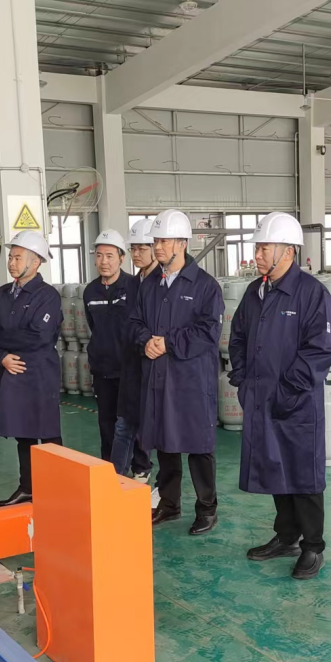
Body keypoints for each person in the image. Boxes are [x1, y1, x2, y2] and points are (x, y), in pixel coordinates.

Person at [229, 213, 331, 579]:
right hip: (262, 399)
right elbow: (238, 337)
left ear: (288, 251)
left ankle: (313, 547)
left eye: (264, 248)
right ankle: (287, 536)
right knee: (275, 468)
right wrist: (243, 380)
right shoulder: (255, 292)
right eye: (257, 247)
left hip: (297, 404)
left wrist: (287, 390)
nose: (257, 254)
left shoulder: (311, 293)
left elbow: (321, 350)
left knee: (303, 475)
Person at [129, 209, 224, 535]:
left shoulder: (206, 286)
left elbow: (208, 332)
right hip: (158, 377)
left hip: (191, 380)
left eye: (164, 241)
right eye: (155, 241)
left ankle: (207, 509)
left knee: (199, 446)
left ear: (182, 244)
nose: (157, 247)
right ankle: (169, 504)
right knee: (164, 441)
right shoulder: (149, 285)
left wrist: (167, 343)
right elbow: (134, 322)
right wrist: (146, 341)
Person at [0, 231, 63, 506]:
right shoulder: (1, 295)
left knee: (49, 434)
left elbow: (39, 336)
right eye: (11, 257)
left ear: (36, 261)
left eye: (18, 257)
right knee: (24, 434)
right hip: (12, 372)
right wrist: (1, 356)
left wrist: (3, 339)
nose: (11, 262)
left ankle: (57, 488)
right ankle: (28, 487)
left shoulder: (47, 296)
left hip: (40, 374)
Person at [110, 219, 159, 489]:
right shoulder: (131, 283)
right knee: (124, 423)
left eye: (142, 248)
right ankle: (116, 477)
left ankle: (145, 471)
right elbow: (127, 324)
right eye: (134, 248)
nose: (136, 254)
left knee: (149, 425)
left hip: (153, 363)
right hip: (131, 362)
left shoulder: (162, 283)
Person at [82, 229, 135, 463]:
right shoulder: (90, 291)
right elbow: (93, 325)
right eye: (99, 255)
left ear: (121, 258)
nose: (104, 261)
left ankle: (140, 468)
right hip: (102, 369)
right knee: (106, 422)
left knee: (132, 420)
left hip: (129, 369)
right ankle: (109, 469)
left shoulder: (133, 287)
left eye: (110, 256)